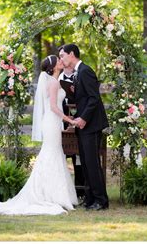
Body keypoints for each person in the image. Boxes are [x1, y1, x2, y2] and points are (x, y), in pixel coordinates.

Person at [0, 55, 78, 216]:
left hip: (52, 122)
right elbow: (53, 107)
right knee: (51, 154)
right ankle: (50, 195)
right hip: (51, 122)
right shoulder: (53, 83)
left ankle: (53, 194)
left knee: (53, 154)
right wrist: (70, 120)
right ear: (53, 67)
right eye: (58, 61)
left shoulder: (55, 81)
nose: (61, 61)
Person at [59, 44, 109, 211]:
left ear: (71, 54)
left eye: (62, 56)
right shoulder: (77, 74)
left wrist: (83, 118)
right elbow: (83, 98)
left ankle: (101, 201)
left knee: (92, 163)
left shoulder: (86, 71)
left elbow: (94, 99)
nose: (61, 59)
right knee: (85, 164)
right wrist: (73, 92)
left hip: (91, 124)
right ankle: (90, 198)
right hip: (83, 125)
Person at [58, 61, 85, 200]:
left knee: (78, 157)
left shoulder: (79, 75)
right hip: (60, 124)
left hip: (78, 121)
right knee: (60, 158)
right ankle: (61, 192)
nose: (62, 60)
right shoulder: (57, 78)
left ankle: (80, 190)